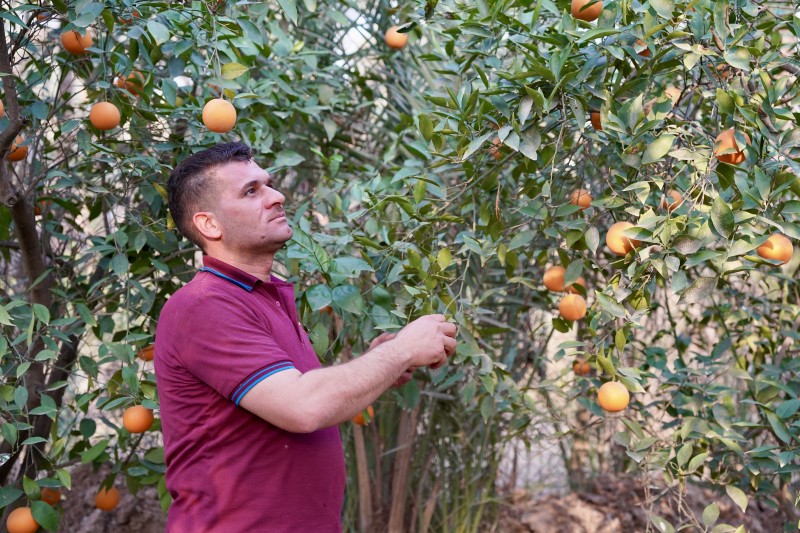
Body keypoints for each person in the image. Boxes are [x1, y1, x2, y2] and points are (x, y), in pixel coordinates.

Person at [154, 142, 457, 532]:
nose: (277, 196)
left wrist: (380, 365)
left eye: (269, 185)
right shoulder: (204, 304)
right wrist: (399, 351)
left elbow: (296, 397)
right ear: (209, 225)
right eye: (251, 191)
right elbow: (303, 407)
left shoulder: (265, 297)